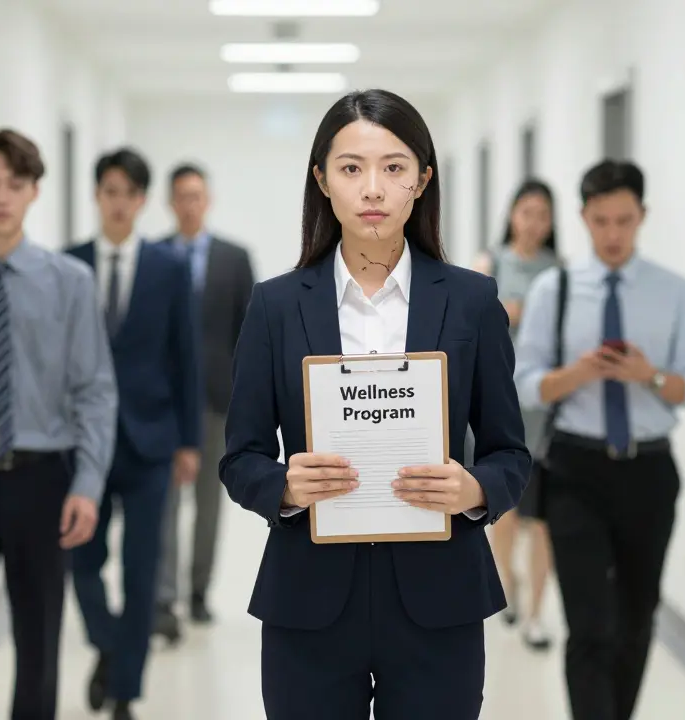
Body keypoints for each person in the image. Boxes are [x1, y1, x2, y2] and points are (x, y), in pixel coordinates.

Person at [219, 88, 531, 720]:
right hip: (307, 599)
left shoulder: (471, 301)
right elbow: (241, 458)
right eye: (351, 168)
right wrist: (283, 486)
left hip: (439, 599)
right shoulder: (276, 306)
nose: (372, 189)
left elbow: (510, 454)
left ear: (421, 180)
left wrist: (472, 491)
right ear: (322, 181)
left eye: (393, 168)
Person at [0, 129, 117, 720]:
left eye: (15, 184)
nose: (0, 197)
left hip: (44, 480)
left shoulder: (70, 282)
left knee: (38, 645)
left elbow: (94, 390)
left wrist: (87, 486)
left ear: (35, 192)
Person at [512, 159, 685, 720]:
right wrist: (580, 373)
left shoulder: (675, 292)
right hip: (576, 468)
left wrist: (649, 377)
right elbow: (525, 384)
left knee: (638, 619)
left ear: (642, 216)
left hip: (648, 470)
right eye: (600, 222)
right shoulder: (555, 289)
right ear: (583, 219)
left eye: (623, 220)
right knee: (591, 625)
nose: (612, 235)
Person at [67, 147, 200, 720]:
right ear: (97, 196)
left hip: (150, 441)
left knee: (143, 567)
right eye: (109, 191)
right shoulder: (68, 265)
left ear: (143, 201)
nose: (118, 203)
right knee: (82, 559)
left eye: (129, 193)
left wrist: (190, 442)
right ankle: (108, 642)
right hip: (81, 444)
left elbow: (184, 357)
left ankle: (125, 690)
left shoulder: (168, 268)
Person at [154, 162, 256, 640]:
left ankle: (198, 592)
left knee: (209, 502)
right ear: (170, 203)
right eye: (181, 197)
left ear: (207, 200)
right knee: (165, 501)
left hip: (217, 398)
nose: (189, 205)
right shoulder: (152, 256)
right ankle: (164, 595)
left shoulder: (234, 259)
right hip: (163, 400)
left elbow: (249, 335)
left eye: (196, 196)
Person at [484, 179, 562, 650]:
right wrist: (504, 314)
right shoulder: (489, 263)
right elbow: (470, 321)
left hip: (549, 407)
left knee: (545, 517)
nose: (533, 222)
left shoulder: (562, 272)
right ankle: (507, 584)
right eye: (526, 212)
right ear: (512, 214)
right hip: (500, 406)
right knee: (507, 509)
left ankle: (537, 612)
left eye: (542, 214)